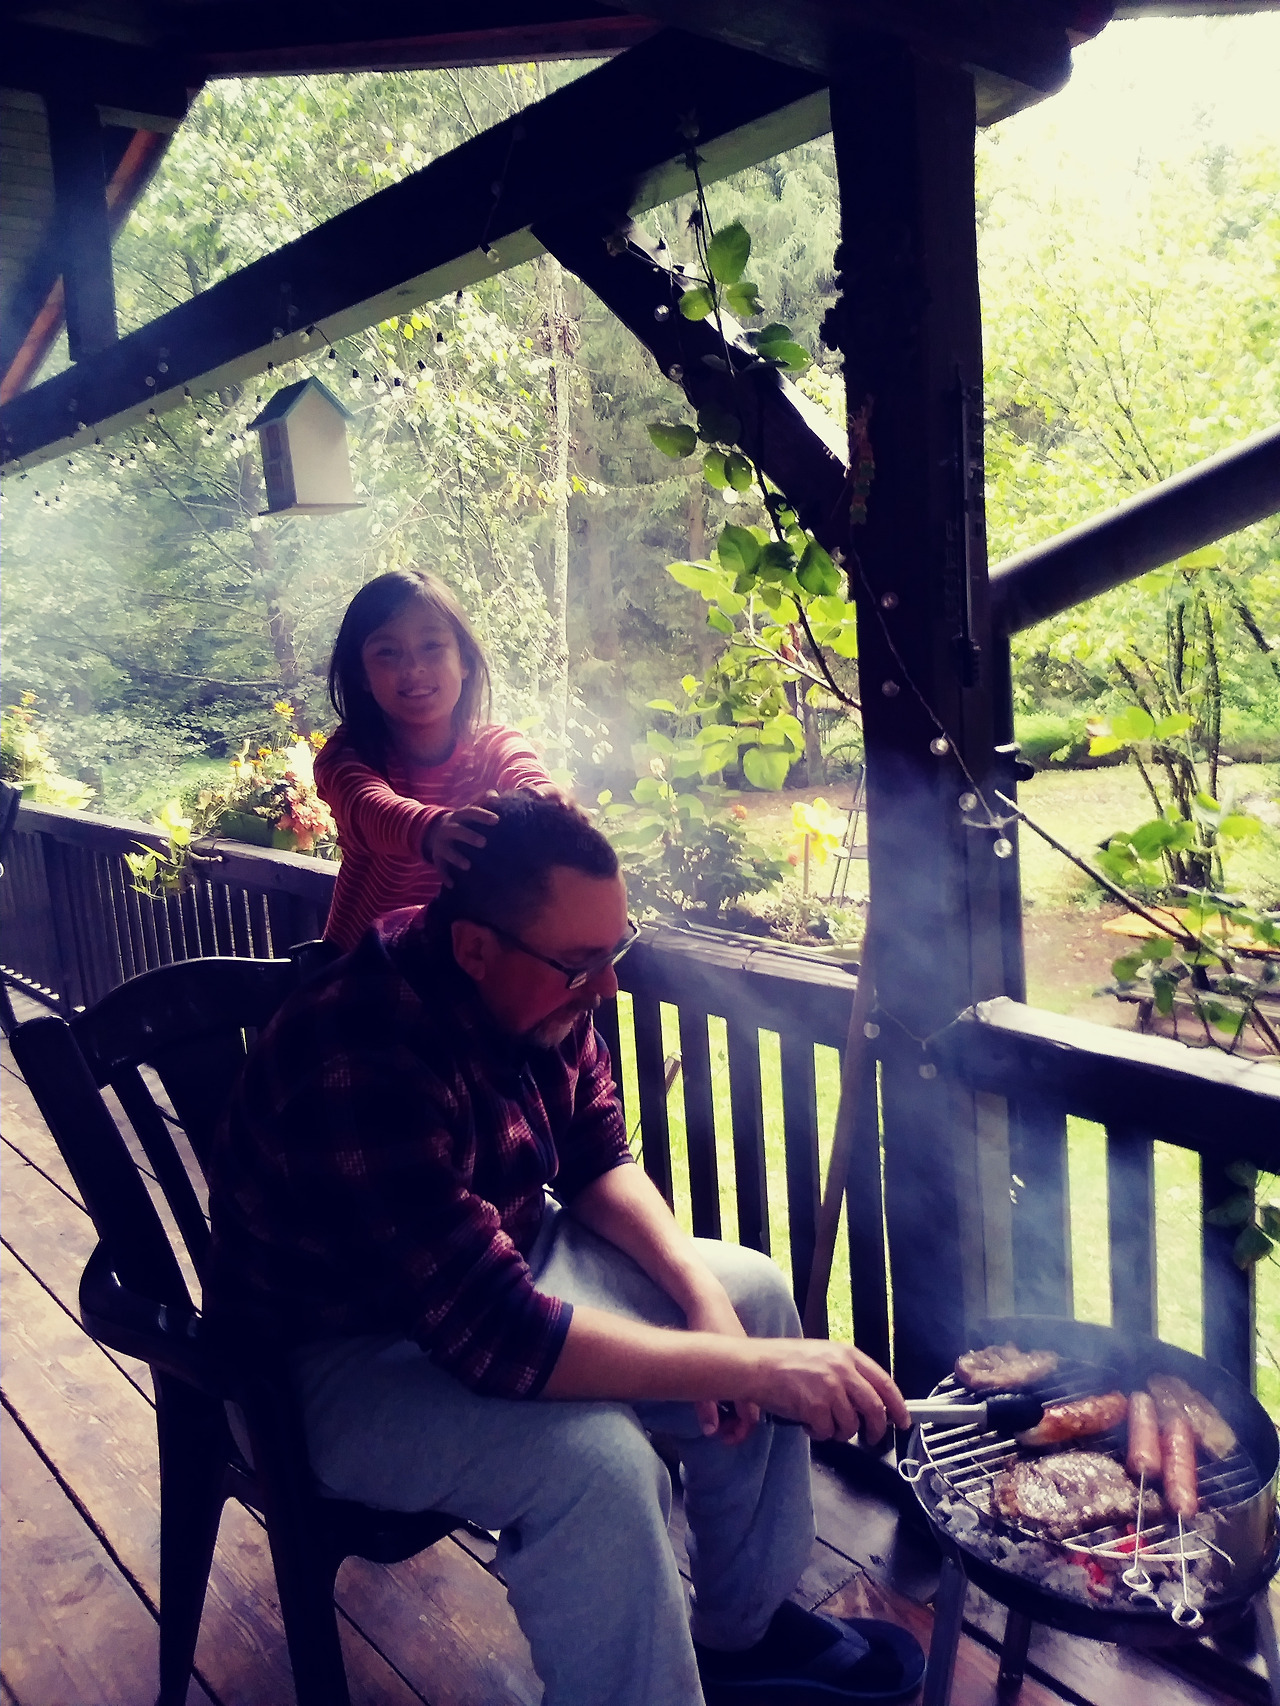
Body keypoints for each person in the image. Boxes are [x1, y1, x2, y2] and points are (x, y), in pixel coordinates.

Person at [208, 794, 926, 1706]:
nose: (607, 990)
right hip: (323, 1360)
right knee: (598, 1465)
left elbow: (597, 1156)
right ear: (474, 948)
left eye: (614, 953)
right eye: (584, 964)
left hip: (496, 1266)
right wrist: (752, 1371)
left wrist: (707, 1305)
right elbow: (499, 1335)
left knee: (752, 1293)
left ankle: (742, 1635)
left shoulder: (536, 985)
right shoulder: (360, 1052)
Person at [315, 567, 555, 950]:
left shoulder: (492, 745)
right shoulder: (347, 756)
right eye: (387, 652)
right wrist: (432, 830)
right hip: (358, 970)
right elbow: (369, 806)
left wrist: (547, 803)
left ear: (464, 661)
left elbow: (522, 768)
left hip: (451, 969)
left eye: (431, 646)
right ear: (362, 675)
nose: (414, 668)